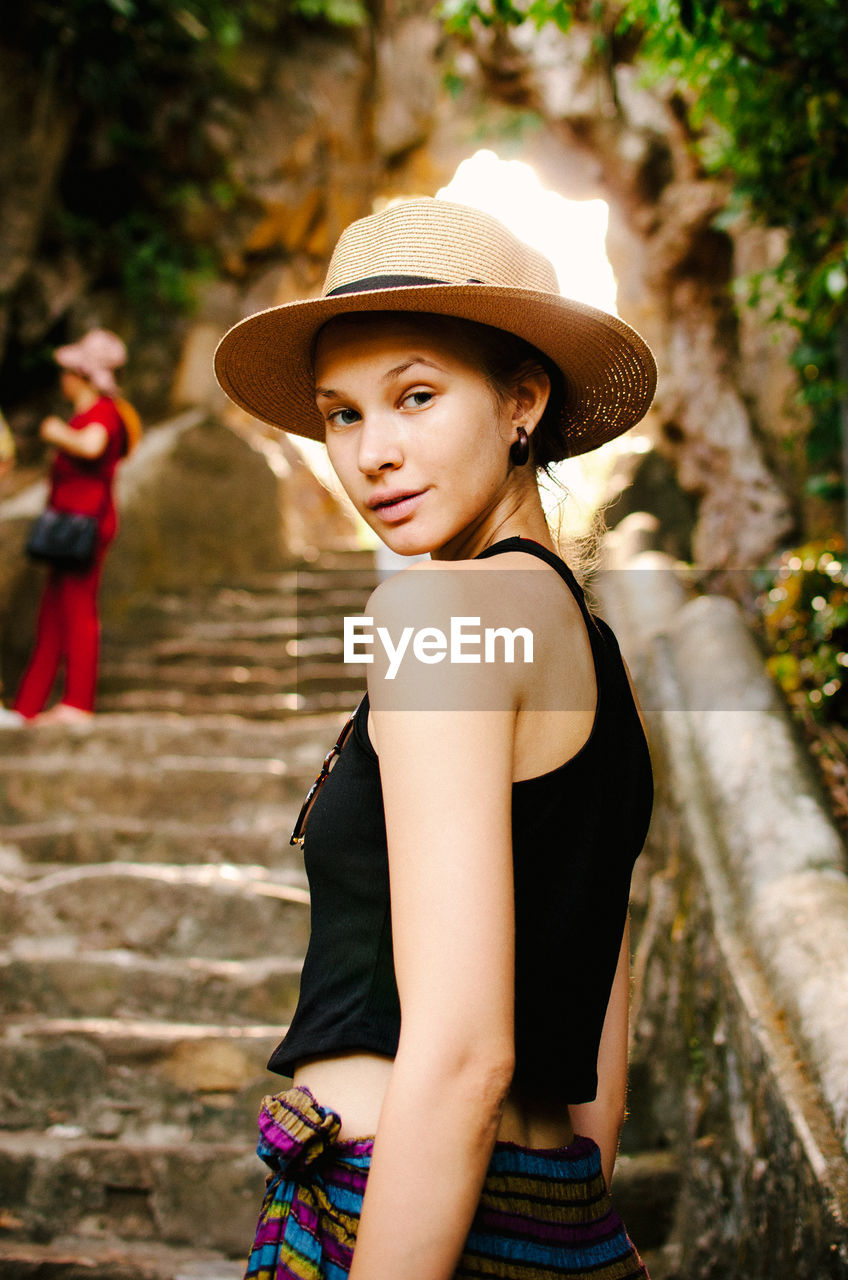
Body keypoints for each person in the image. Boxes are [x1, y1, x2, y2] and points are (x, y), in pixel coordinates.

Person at [215, 197, 657, 1279]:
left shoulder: (432, 615)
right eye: (342, 415)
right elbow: (599, 973)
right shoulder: (589, 651)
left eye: (414, 395)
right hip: (553, 1213)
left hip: (398, 1211)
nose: (373, 453)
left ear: (521, 397)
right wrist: (554, 1219)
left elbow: (462, 1055)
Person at [13, 328, 134, 725]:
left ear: (81, 376)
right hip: (68, 523)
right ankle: (28, 707)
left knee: (78, 611)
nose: (61, 379)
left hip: (84, 523)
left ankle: (78, 703)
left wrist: (57, 433)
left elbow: (92, 446)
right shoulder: (89, 413)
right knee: (51, 613)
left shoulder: (102, 413)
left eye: (68, 371)